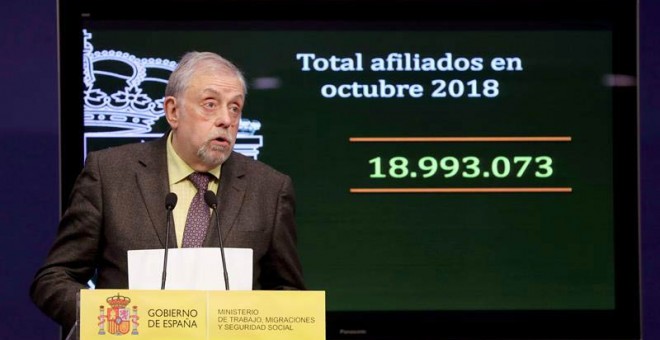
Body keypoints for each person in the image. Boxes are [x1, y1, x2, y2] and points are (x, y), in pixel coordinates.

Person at [30, 51, 306, 334]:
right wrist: (111, 319)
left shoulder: (269, 189)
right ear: (173, 111)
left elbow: (288, 293)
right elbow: (53, 279)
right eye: (210, 104)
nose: (226, 119)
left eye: (235, 107)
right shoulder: (110, 174)